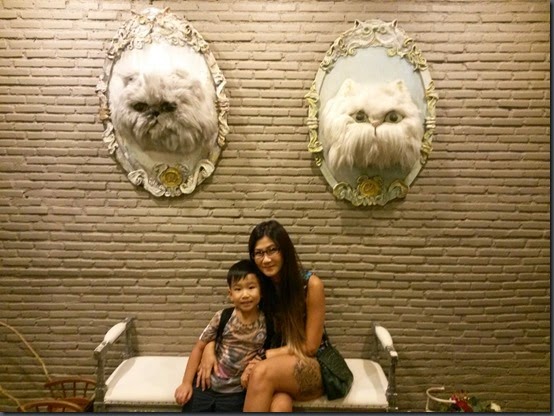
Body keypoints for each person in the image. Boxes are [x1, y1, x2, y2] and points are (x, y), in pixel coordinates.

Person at [196, 220, 326, 412]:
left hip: (309, 362)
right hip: (272, 367)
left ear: (285, 250)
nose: (266, 259)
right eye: (259, 253)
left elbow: (310, 347)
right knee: (280, 405)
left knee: (261, 372)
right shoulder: (257, 285)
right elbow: (233, 320)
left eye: (272, 250)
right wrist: (209, 348)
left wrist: (265, 356)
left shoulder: (311, 285)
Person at [174, 259, 268, 412]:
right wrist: (186, 383)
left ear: (261, 291)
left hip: (236, 394)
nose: (245, 295)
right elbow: (199, 348)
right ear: (230, 294)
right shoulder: (223, 316)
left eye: (251, 287)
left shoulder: (267, 323)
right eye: (238, 289)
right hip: (204, 385)